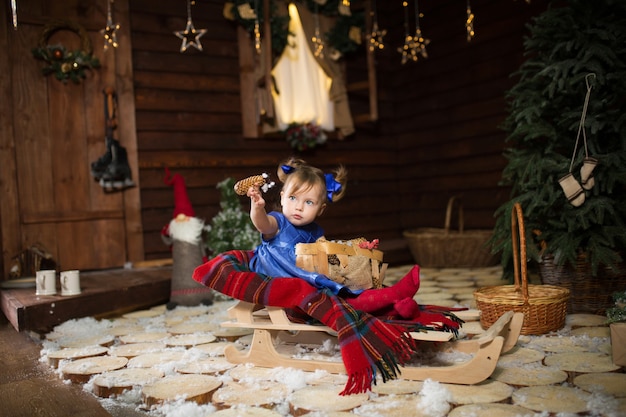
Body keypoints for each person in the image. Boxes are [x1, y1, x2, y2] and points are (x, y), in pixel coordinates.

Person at [243, 157, 449, 321]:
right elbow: (262, 224)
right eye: (293, 198)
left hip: (306, 271)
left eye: (309, 202)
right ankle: (389, 298)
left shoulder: (314, 230)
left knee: (343, 280)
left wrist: (357, 248)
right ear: (281, 197)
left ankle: (393, 305)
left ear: (321, 209)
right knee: (332, 292)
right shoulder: (277, 222)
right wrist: (258, 208)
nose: (298, 207)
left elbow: (331, 251)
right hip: (279, 270)